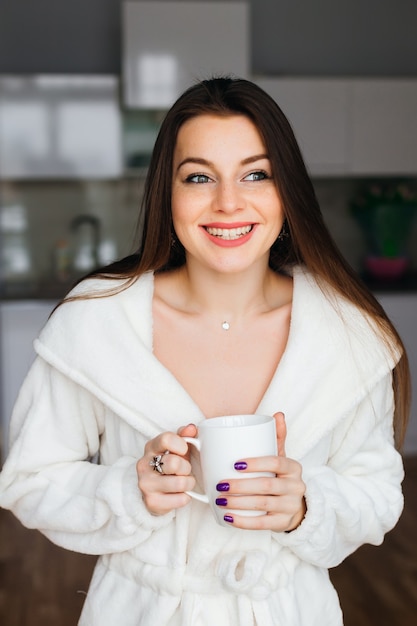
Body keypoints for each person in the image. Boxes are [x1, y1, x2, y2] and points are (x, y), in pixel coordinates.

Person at [0, 77, 410, 626]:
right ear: (167, 193)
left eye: (256, 174)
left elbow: (377, 496)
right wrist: (130, 489)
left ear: (287, 190)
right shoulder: (96, 323)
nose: (227, 203)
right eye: (199, 177)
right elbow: (30, 479)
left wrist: (305, 507)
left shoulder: (348, 334)